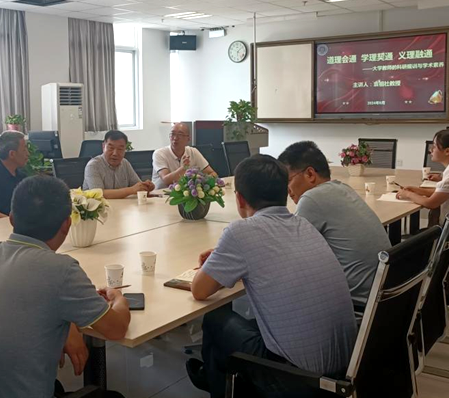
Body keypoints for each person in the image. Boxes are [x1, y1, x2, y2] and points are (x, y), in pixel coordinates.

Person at [187, 155, 357, 398]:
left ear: (239, 199)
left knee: (215, 318)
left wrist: (226, 260)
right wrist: (229, 259)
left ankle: (216, 380)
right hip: (345, 371)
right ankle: (218, 377)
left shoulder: (241, 232)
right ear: (286, 192)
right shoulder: (304, 225)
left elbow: (199, 290)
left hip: (298, 380)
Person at [0, 176, 131, 397]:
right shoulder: (62, 269)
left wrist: (68, 323)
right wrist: (118, 299)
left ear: (11, 219)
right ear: (67, 224)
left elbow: (14, 306)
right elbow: (116, 329)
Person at [278, 141, 390, 321]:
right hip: (385, 304)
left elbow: (285, 256)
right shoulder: (342, 188)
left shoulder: (312, 198)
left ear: (310, 174)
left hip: (356, 311)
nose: (287, 191)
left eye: (288, 181)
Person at [82, 130, 154, 199]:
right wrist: (131, 190)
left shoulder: (125, 163)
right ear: (103, 147)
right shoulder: (93, 165)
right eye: (111, 148)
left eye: (120, 149)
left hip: (121, 206)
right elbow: (99, 194)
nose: (115, 153)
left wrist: (146, 187)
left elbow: (138, 187)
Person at [152, 123, 217, 189]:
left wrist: (200, 181)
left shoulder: (193, 152)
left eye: (180, 134)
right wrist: (183, 168)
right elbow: (166, 180)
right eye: (173, 134)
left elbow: (212, 173)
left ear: (188, 138)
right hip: (160, 193)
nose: (175, 138)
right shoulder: (159, 153)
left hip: (187, 193)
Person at [0, 131, 29, 219]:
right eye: (24, 150)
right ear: (12, 154)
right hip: (4, 224)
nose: (27, 154)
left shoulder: (22, 176)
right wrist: (16, 222)